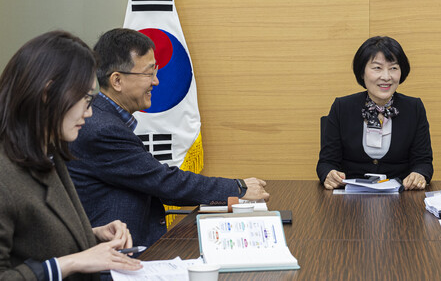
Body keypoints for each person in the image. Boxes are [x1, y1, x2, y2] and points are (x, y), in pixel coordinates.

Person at [67, 28, 269, 248]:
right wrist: (238, 188)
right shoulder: (102, 129)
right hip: (117, 257)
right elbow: (163, 182)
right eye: (148, 73)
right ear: (117, 80)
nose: (156, 82)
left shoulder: (104, 118)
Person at [0, 31, 142, 280]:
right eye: (85, 99)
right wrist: (73, 262)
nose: (89, 113)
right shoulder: (4, 173)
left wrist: (91, 235)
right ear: (48, 93)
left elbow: (34, 240)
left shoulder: (47, 152)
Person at [316, 36, 433, 191]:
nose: (386, 77)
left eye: (393, 68)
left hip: (401, 197)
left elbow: (423, 162)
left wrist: (419, 174)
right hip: (350, 198)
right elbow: (326, 163)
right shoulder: (342, 107)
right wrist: (329, 174)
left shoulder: (414, 108)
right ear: (362, 72)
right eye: (377, 68)